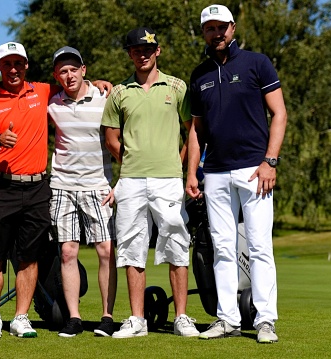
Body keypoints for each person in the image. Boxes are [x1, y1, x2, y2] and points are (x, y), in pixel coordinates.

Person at [0, 42, 111, 339]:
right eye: (7, 64)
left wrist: (98, 83)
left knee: (29, 255)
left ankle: (21, 317)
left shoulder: (42, 91)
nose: (13, 69)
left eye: (19, 64)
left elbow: (75, 83)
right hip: (2, 186)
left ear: (26, 66)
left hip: (38, 186)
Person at [186, 4, 287, 344]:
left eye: (221, 27)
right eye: (209, 28)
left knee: (259, 246)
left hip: (255, 170)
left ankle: (265, 321)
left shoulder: (257, 63)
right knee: (223, 249)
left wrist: (270, 161)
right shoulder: (198, 75)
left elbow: (280, 113)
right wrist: (191, 173)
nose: (216, 33)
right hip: (214, 173)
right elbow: (197, 131)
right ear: (204, 33)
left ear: (232, 28)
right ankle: (227, 319)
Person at [101, 27, 200, 339]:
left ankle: (182, 317)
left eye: (148, 49)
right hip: (130, 181)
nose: (142, 54)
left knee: (176, 244)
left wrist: (184, 166)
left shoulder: (177, 86)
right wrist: (130, 159)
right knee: (131, 247)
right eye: (136, 50)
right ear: (130, 54)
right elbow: (110, 138)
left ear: (157, 51)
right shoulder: (119, 92)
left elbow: (193, 131)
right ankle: (136, 319)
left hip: (169, 179)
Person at [47, 46, 117, 338]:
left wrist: (118, 183)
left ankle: (107, 316)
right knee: (67, 252)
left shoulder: (105, 97)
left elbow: (120, 141)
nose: (69, 75)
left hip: (98, 185)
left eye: (73, 69)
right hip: (62, 186)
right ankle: (74, 318)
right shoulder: (51, 103)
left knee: (105, 250)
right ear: (56, 76)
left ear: (83, 70)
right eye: (62, 70)